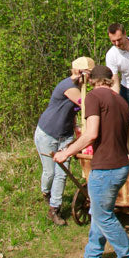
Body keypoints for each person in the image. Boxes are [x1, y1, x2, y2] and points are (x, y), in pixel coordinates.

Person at [55, 64, 129, 258]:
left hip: (106, 168)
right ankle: (93, 255)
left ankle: (127, 254)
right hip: (120, 167)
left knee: (103, 215)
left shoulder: (93, 98)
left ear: (92, 81)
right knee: (99, 211)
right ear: (109, 80)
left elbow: (91, 134)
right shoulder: (121, 101)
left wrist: (66, 152)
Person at [34, 56, 95, 226]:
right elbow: (85, 104)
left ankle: (55, 208)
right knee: (50, 172)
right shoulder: (68, 87)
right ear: (79, 72)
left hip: (65, 135)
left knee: (62, 173)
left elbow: (76, 110)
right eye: (89, 74)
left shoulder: (81, 87)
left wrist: (76, 126)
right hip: (47, 133)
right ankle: (46, 193)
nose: (91, 78)